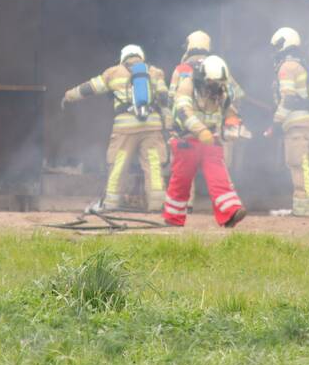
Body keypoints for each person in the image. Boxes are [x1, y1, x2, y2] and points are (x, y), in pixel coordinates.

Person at [62, 45, 169, 212]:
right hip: (152, 126)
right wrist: (168, 124)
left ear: (123, 57)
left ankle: (111, 204)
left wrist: (69, 95)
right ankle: (156, 206)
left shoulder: (113, 72)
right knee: (153, 165)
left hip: (125, 129)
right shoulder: (155, 72)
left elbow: (90, 87)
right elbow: (164, 99)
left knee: (118, 164)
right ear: (141, 56)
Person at [163, 55, 247, 228]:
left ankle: (231, 212)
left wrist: (232, 123)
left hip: (210, 141)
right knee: (181, 181)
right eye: (211, 83)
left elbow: (228, 109)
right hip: (186, 140)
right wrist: (201, 131)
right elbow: (182, 110)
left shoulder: (218, 87)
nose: (214, 88)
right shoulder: (188, 84)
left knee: (219, 176)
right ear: (203, 77)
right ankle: (173, 218)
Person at [269, 27, 309, 217]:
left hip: (297, 125)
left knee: (299, 165)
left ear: (284, 43)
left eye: (276, 46)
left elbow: (288, 98)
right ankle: (305, 209)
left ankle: (303, 211)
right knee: (303, 165)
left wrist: (275, 123)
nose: (275, 51)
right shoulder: (300, 64)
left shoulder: (287, 67)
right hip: (305, 123)